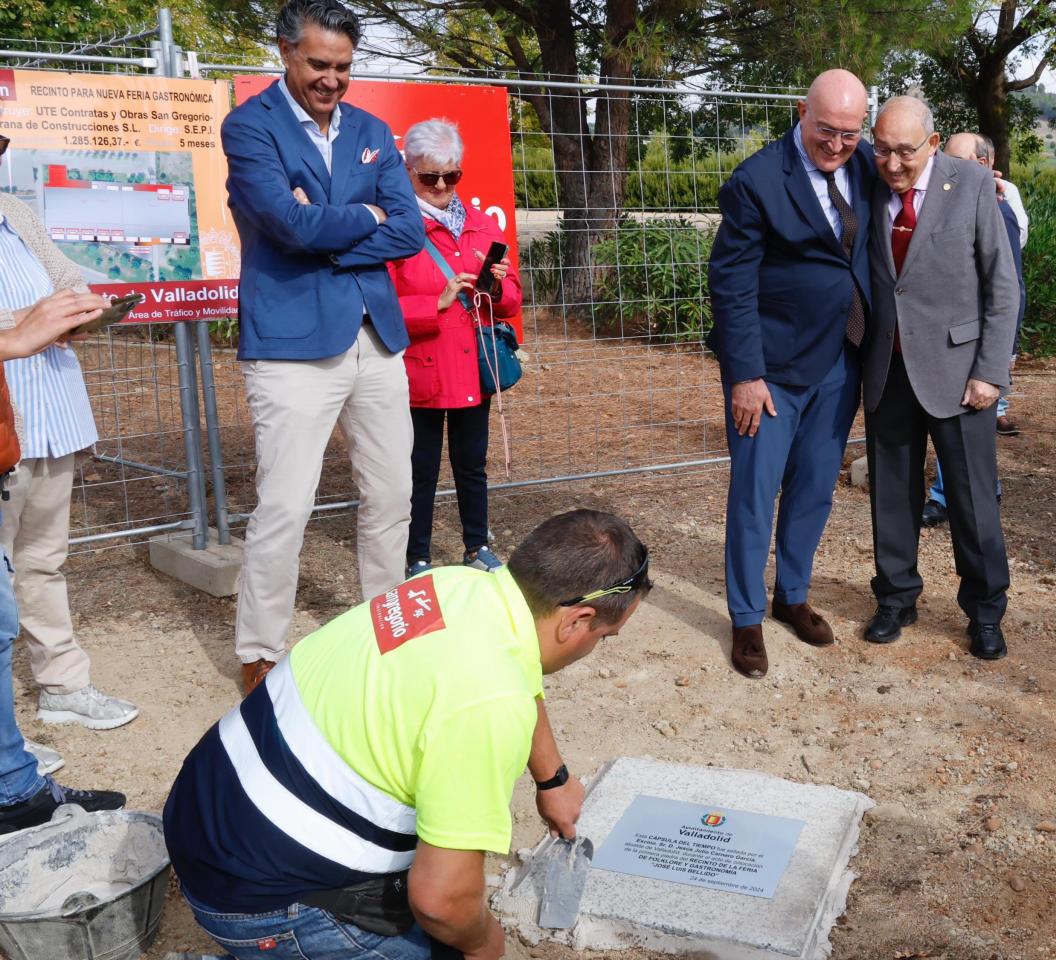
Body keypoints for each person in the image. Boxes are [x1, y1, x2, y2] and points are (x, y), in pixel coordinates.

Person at [163, 509, 648, 958]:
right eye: (605, 637)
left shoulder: (456, 586)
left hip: (201, 816)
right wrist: (484, 945)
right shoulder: (489, 700)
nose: (598, 647)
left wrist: (553, 779)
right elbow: (441, 902)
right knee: (453, 941)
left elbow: (522, 674)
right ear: (578, 621)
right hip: (258, 901)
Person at [223, 0, 426, 695]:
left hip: (376, 337)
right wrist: (355, 220)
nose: (332, 79)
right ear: (284, 51)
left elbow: (409, 232)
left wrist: (326, 230)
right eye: (318, 64)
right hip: (289, 346)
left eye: (343, 67)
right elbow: (284, 224)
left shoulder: (372, 130)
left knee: (393, 492)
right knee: (284, 505)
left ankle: (390, 629)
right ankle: (260, 654)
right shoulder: (249, 127)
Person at [706, 69, 873, 679]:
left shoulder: (865, 162)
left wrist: (971, 182)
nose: (836, 145)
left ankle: (792, 595)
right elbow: (731, 283)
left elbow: (921, 173)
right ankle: (746, 617)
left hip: (840, 358)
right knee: (755, 492)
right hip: (770, 370)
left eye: (849, 134)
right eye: (826, 130)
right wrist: (745, 375)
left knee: (814, 488)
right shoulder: (755, 181)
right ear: (802, 111)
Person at [859, 96, 1019, 661]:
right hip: (887, 370)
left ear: (932, 142)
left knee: (974, 502)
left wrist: (991, 373)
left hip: (961, 375)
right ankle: (896, 598)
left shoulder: (973, 184)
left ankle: (984, 611)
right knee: (891, 497)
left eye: (905, 150)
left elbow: (1003, 287)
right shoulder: (869, 179)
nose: (894, 162)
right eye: (882, 149)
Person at [0, 190, 139, 738]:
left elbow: (64, 274)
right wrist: (29, 321)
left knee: (42, 560)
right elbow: (31, 314)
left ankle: (63, 686)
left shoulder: (13, 209)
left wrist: (81, 309)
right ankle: (7, 737)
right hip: (3, 422)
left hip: (49, 409)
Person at [0, 287, 129, 835]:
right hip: (16, 420)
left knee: (35, 569)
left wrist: (74, 315)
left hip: (39, 418)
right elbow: (33, 320)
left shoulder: (22, 219)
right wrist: (19, 331)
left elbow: (72, 291)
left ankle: (17, 759)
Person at [387, 119, 522, 580]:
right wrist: (435, 303)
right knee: (419, 470)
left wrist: (499, 288)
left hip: (472, 366)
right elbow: (377, 307)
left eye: (452, 175)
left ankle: (476, 545)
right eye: (429, 177)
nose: (441, 185)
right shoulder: (395, 228)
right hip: (420, 367)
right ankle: (417, 556)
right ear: (408, 172)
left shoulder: (483, 226)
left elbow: (512, 302)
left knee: (471, 464)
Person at [923, 132, 1024, 526]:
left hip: (976, 347)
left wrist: (998, 356)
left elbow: (1007, 285)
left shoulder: (999, 211)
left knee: (965, 431)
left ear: (983, 164)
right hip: (949, 342)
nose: (945, 168)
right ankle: (970, 492)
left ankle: (958, 497)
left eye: (958, 160)